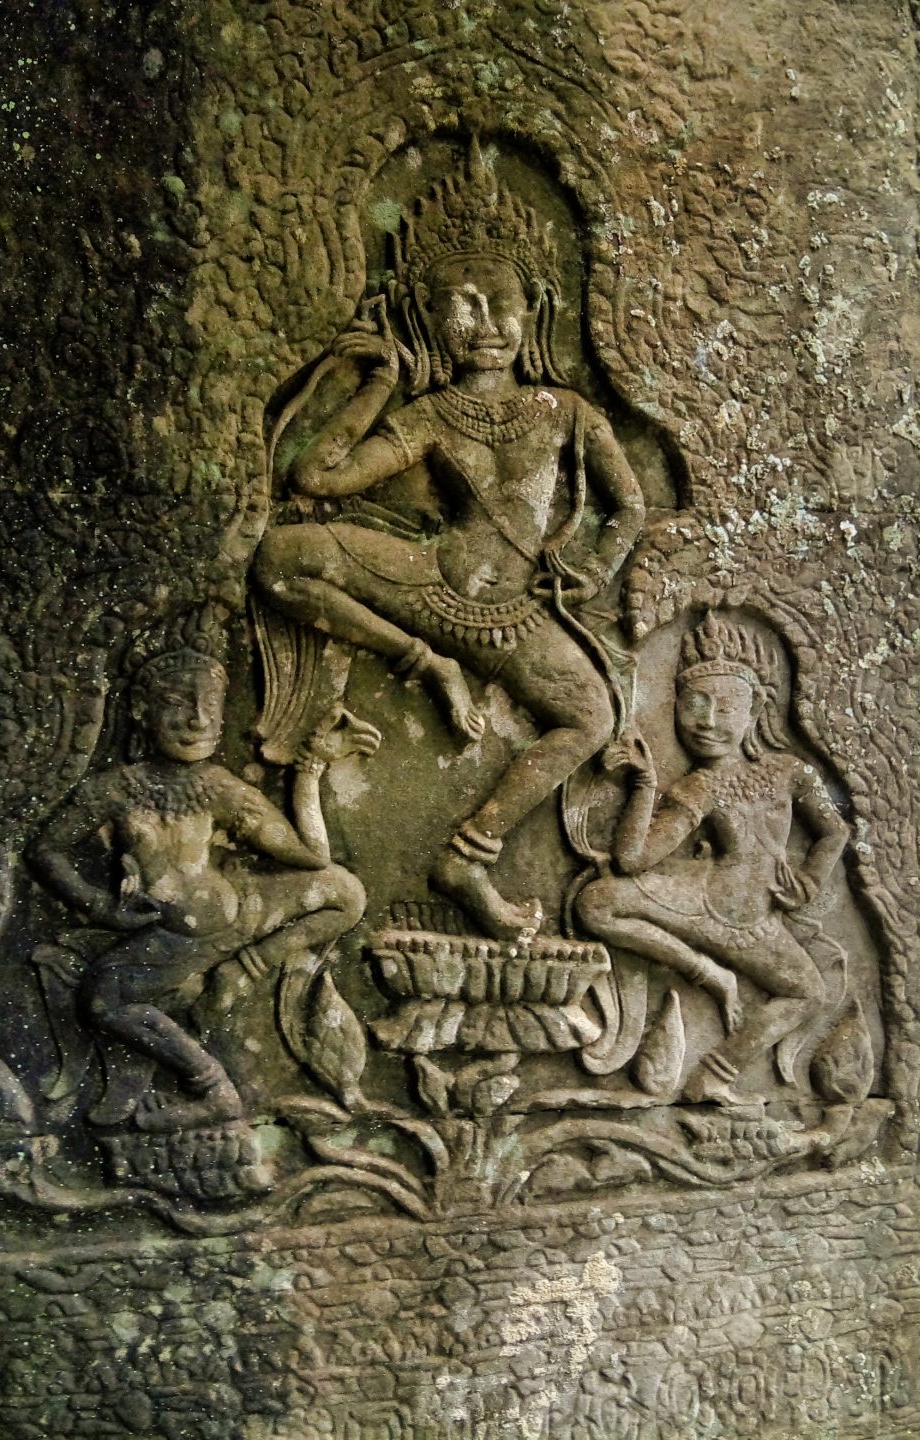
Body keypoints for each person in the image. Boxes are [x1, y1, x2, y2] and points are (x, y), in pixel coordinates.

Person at [252, 143, 644, 940]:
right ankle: (426, 664)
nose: (486, 323)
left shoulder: (567, 412)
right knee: (281, 560)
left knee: (592, 717)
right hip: (432, 583)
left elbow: (629, 505)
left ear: (534, 309)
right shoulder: (431, 415)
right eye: (461, 305)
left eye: (502, 303)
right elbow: (318, 479)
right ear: (427, 318)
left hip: (520, 613)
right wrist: (380, 383)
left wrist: (595, 569)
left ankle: (470, 857)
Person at [29, 647, 369, 1132]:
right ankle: (215, 1087)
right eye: (177, 703)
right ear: (141, 710)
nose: (198, 719)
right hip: (169, 933)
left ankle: (224, 1053)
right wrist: (100, 906)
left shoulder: (219, 788)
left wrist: (311, 769)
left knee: (346, 892)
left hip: (230, 913)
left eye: (211, 704)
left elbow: (312, 858)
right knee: (101, 1000)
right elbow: (47, 849)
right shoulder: (115, 789)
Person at [576, 614, 848, 1106]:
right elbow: (633, 859)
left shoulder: (790, 772)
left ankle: (716, 1075)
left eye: (726, 708)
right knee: (596, 903)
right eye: (694, 705)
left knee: (809, 994)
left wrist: (809, 880)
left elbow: (834, 831)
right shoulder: (701, 786)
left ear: (755, 710)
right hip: (702, 900)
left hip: (757, 922)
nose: (707, 721)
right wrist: (645, 785)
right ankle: (707, 972)